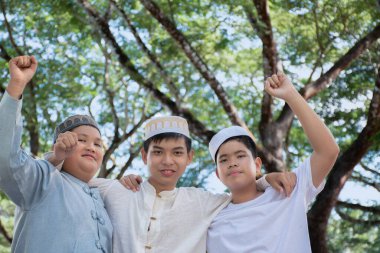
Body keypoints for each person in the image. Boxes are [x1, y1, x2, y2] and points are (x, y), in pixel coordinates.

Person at [48, 115, 296, 253]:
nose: (167, 161)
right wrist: (59, 152)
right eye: (158, 152)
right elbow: (60, 178)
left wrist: (264, 179)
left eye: (177, 153)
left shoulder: (202, 201)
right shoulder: (115, 189)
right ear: (145, 156)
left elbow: (243, 190)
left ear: (189, 158)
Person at [206, 72, 340, 252]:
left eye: (240, 155)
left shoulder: (288, 190)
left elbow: (328, 151)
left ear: (257, 164)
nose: (232, 163)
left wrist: (291, 95)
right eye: (223, 159)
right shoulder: (211, 219)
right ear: (217, 174)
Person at [0, 55, 112, 253]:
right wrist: (17, 84)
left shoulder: (104, 199)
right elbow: (5, 158)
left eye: (97, 143)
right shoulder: (42, 182)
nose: (91, 147)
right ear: (58, 146)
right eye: (81, 140)